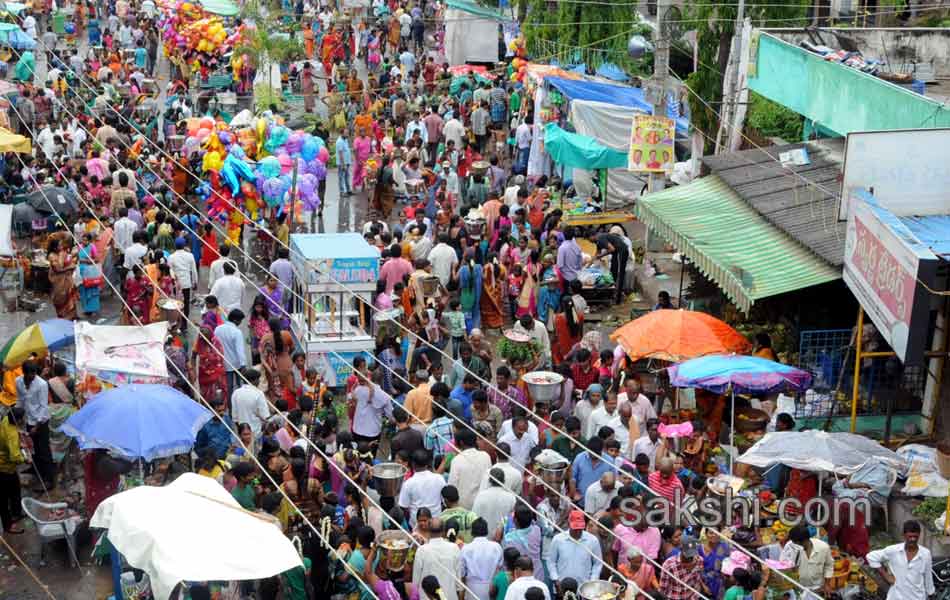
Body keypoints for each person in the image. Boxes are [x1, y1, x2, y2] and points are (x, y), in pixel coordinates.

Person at [866, 519, 934, 600]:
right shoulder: (894, 550)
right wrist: (886, 576)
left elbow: (928, 578)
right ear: (904, 535)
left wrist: (930, 593)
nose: (913, 539)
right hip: (896, 597)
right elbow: (871, 556)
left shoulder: (925, 554)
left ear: (919, 535)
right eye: (910, 536)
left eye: (915, 537)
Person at [16, 362, 53, 491]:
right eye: (29, 374)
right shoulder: (18, 381)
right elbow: (20, 400)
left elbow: (44, 406)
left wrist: (37, 426)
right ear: (24, 373)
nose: (32, 376)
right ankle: (35, 468)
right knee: (33, 447)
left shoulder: (42, 384)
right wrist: (18, 418)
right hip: (28, 419)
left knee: (44, 449)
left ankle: (48, 479)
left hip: (41, 421)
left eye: (34, 374)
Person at [547, 510, 602, 591]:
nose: (578, 531)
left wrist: (592, 581)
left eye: (580, 529)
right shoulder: (558, 539)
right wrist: (555, 579)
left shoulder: (593, 541)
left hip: (584, 589)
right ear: (569, 524)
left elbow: (597, 564)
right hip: (562, 587)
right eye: (575, 528)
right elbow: (551, 561)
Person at [412, 517, 463, 600]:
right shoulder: (454, 548)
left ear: (428, 530)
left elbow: (416, 580)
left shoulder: (422, 550)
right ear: (443, 531)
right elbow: (459, 580)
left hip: (428, 597)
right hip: (449, 596)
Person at [780, 524, 835, 598]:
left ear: (805, 540)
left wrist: (827, 584)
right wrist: (789, 568)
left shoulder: (823, 547)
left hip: (817, 589)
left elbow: (829, 565)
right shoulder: (790, 546)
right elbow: (782, 563)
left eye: (797, 543)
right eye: (793, 543)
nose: (795, 545)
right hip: (797, 587)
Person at [460, 517, 503, 600]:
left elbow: (462, 573)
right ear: (486, 531)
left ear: (472, 532)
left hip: (472, 589)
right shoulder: (496, 547)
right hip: (492, 588)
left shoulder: (466, 549)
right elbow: (500, 568)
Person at [399, 449, 446, 525]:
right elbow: (444, 500)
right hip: (436, 521)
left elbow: (403, 506)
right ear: (427, 464)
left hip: (416, 524)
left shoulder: (408, 484)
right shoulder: (439, 478)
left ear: (413, 464)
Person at [449, 429, 492, 510]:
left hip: (464, 506)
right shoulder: (485, 456)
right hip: (483, 503)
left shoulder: (457, 460)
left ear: (461, 442)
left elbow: (452, 485)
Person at [658, 535, 707, 599]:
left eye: (692, 554)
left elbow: (698, 578)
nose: (690, 558)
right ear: (681, 548)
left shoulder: (699, 560)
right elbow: (663, 590)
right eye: (688, 554)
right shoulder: (669, 565)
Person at [0, 406, 24, 533]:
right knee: (4, 499)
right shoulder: (12, 434)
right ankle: (8, 525)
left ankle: (16, 513)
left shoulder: (5, 420)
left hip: (5, 467)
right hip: (5, 469)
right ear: (18, 420)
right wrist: (25, 459)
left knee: (15, 491)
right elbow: (15, 456)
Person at [473, 468, 517, 538]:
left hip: (484, 538)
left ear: (489, 480)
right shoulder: (511, 498)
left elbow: (474, 517)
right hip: (504, 540)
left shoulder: (481, 496)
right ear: (504, 481)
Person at [590, 229, 631, 305]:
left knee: (619, 274)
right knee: (613, 272)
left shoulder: (600, 238)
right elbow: (596, 255)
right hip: (616, 253)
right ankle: (612, 295)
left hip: (621, 251)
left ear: (593, 236)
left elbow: (612, 249)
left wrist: (601, 255)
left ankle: (618, 299)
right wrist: (588, 265)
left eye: (589, 238)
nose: (590, 241)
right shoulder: (598, 242)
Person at [231, 368, 270, 438]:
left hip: (242, 434)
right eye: (258, 379)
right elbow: (265, 417)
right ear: (254, 380)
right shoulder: (258, 393)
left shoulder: (235, 393)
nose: (259, 381)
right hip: (256, 433)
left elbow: (235, 418)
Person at [47, 238, 77, 319]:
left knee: (70, 296)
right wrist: (69, 268)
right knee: (60, 298)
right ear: (55, 247)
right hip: (58, 281)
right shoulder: (52, 255)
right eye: (59, 245)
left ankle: (72, 316)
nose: (61, 246)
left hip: (66, 279)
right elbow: (57, 269)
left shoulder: (61, 253)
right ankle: (63, 317)